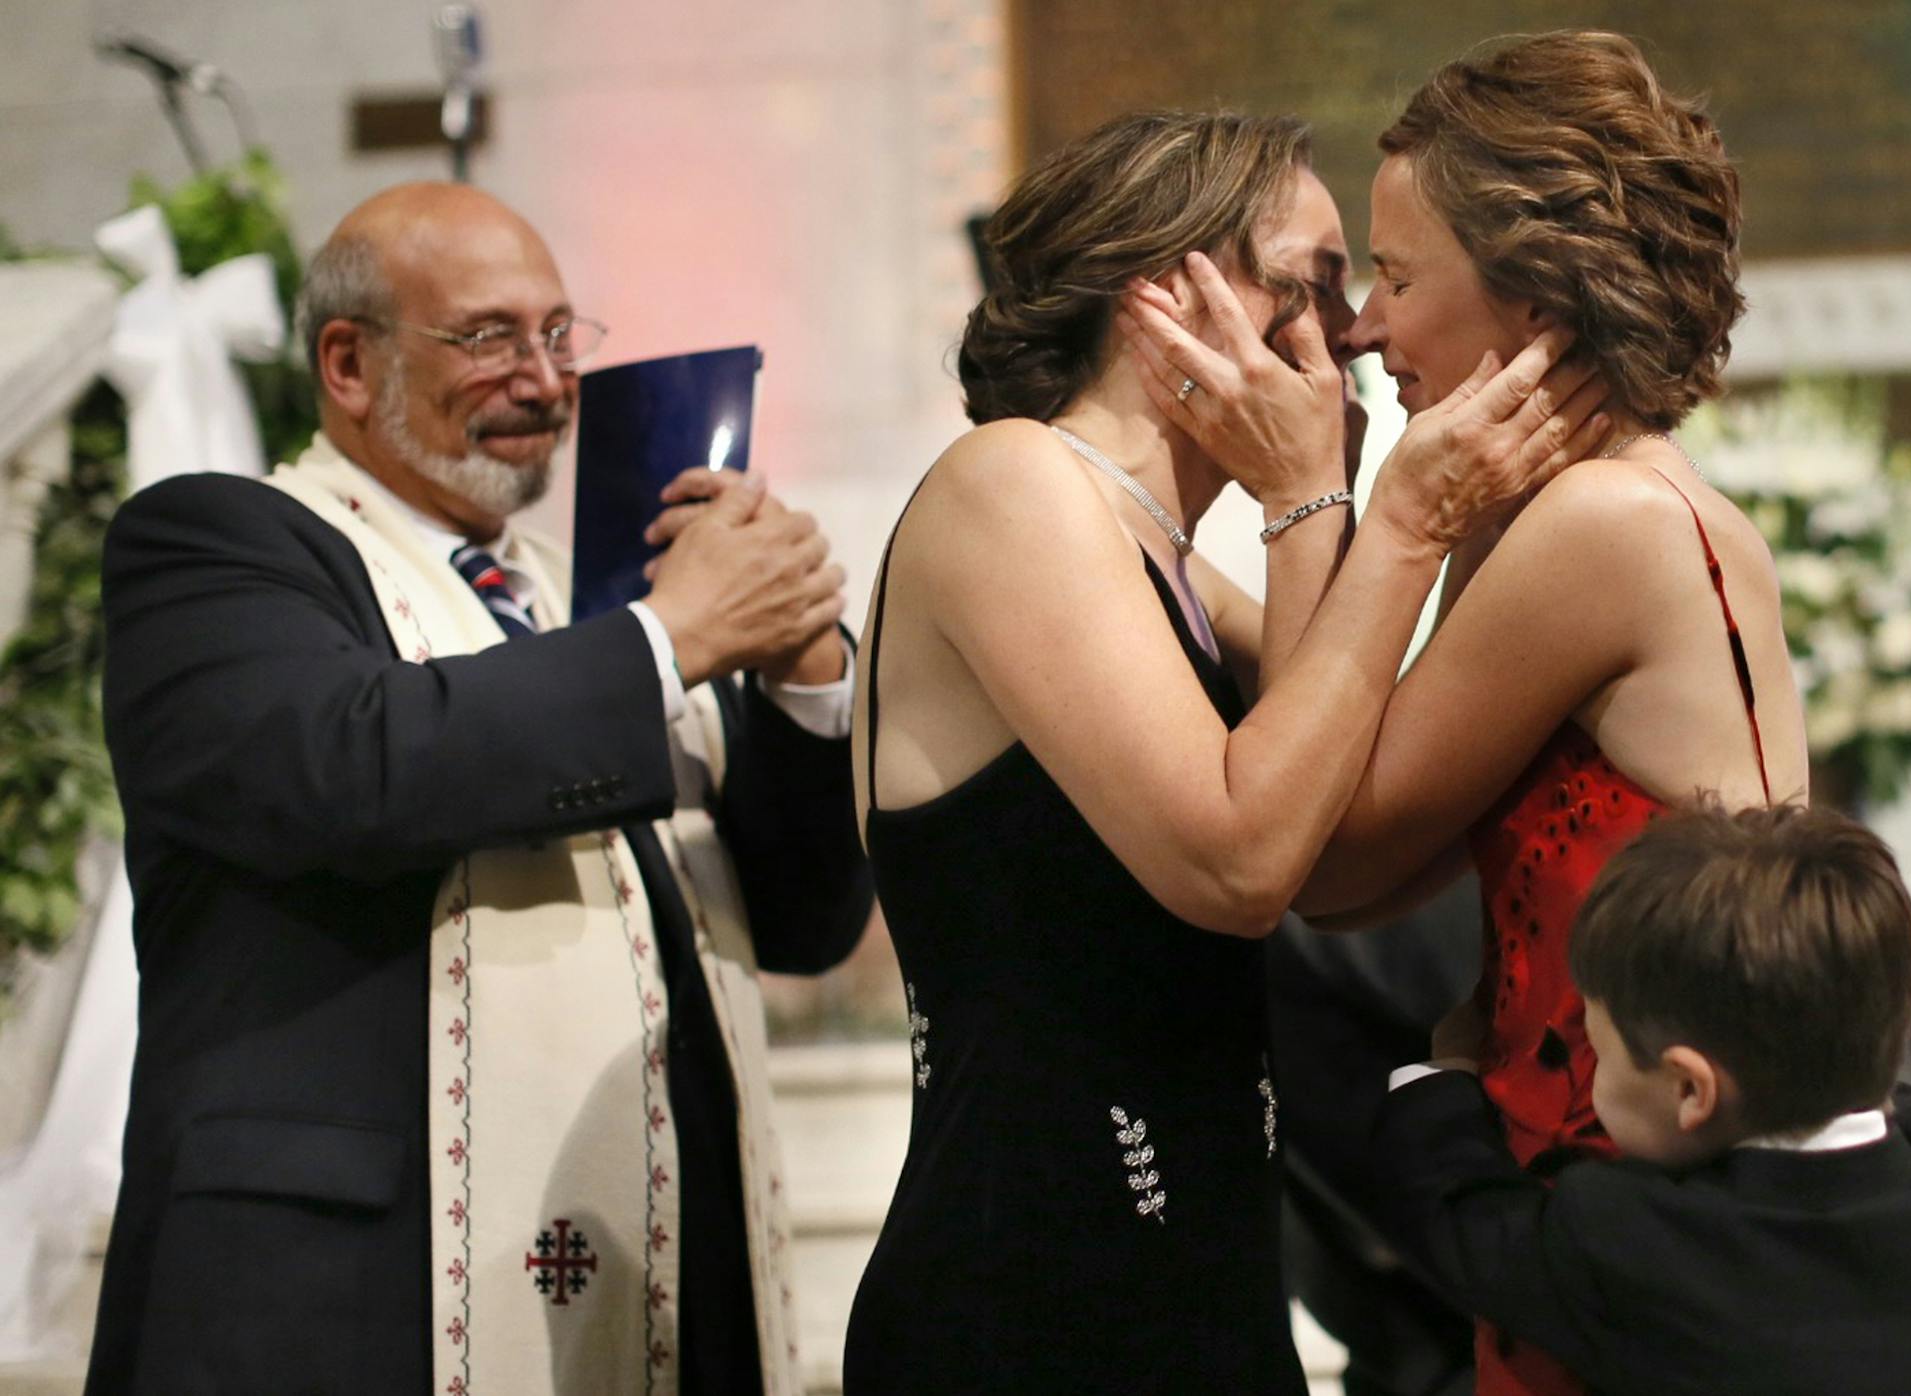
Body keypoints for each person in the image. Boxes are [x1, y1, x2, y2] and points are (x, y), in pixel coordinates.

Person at [843, 111, 1611, 1394]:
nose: (1353, 330)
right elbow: (1242, 860)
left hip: (1200, 1279)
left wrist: (1364, 509)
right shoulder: (1012, 485)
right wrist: (1385, 516)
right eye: (1310, 283)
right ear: (1167, 296)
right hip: (1031, 1298)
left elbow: (1328, 789)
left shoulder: (1152, 542)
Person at [87, 182, 873, 1394]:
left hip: (660, 1277)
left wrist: (805, 672)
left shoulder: (591, 595)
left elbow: (804, 923)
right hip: (344, 1300)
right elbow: (355, 766)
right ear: (347, 362)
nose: (548, 381)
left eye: (560, 336)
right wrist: (670, 640)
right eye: (491, 336)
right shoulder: (216, 544)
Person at [1124, 31, 1804, 1396]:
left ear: (1534, 293)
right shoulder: (1551, 516)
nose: (1361, 329)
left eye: (1394, 275)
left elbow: (1325, 858)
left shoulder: (1605, 525)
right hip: (1589, 1195)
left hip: (1649, 1227)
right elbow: (1363, 789)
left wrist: (1310, 495)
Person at [1378, 805, 1911, 1396]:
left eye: (1599, 1052)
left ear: (1689, 1090)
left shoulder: (1632, 1238)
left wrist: (1441, 1075)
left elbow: (1465, 1215)